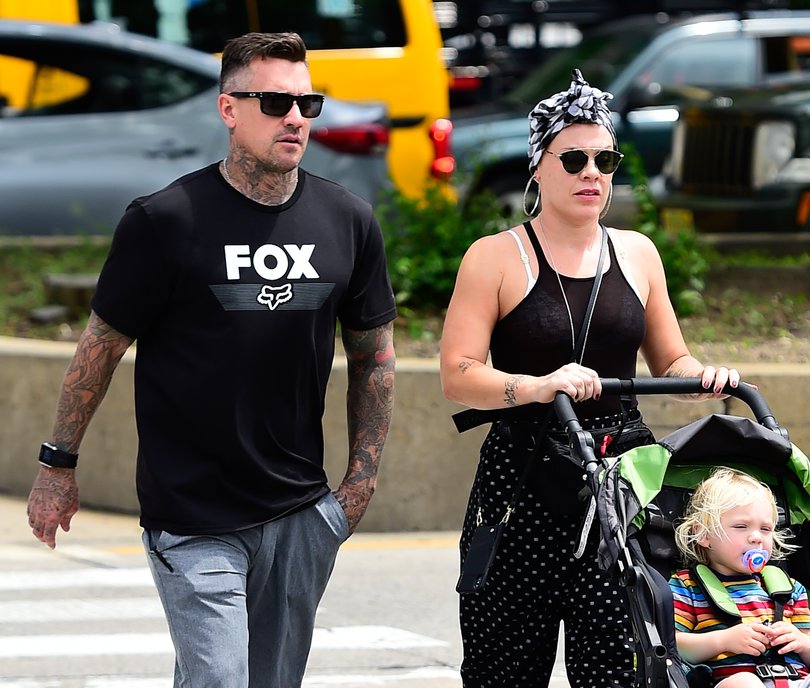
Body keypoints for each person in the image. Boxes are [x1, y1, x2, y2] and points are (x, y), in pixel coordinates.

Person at [26, 32, 397, 688]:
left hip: (299, 512)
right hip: (192, 516)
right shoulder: (165, 220)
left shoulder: (347, 221)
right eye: (276, 100)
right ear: (229, 109)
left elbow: (374, 357)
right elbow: (99, 349)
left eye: (307, 101)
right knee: (222, 681)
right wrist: (58, 465)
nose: (295, 117)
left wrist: (357, 487)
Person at [439, 68, 741, 687]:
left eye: (605, 159)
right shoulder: (494, 256)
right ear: (538, 166)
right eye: (573, 158)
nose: (592, 174)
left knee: (618, 663)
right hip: (523, 475)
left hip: (619, 480)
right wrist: (537, 384)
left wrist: (704, 377)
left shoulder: (638, 252)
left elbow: (672, 363)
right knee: (503, 666)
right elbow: (459, 375)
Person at [670, 467, 810, 687]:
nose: (756, 537)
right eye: (741, 526)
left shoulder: (791, 589)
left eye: (765, 529)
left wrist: (801, 642)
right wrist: (723, 640)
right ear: (704, 534)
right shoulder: (687, 586)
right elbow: (673, 647)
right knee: (745, 682)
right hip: (732, 682)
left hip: (796, 680)